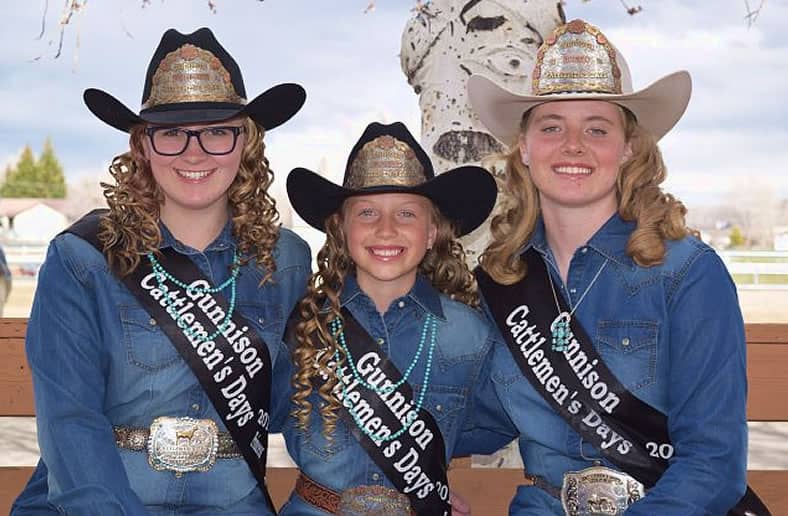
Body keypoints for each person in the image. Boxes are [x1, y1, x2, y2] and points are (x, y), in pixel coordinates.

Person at [12, 27, 310, 515]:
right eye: (172, 133)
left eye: (217, 131)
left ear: (246, 143)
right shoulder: (83, 258)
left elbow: (304, 407)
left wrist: (410, 482)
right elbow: (70, 421)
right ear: (142, 146)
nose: (195, 152)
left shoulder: (287, 260)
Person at [459, 18, 752, 515]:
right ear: (525, 148)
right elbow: (479, 418)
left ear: (629, 148)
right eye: (551, 127)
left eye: (597, 129)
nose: (573, 145)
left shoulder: (687, 273)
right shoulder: (505, 277)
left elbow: (713, 463)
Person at [280, 121, 497, 515]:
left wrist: (420, 478)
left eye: (406, 214)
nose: (386, 229)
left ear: (432, 232)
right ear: (342, 230)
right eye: (367, 212)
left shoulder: (472, 334)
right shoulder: (301, 326)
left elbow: (490, 426)